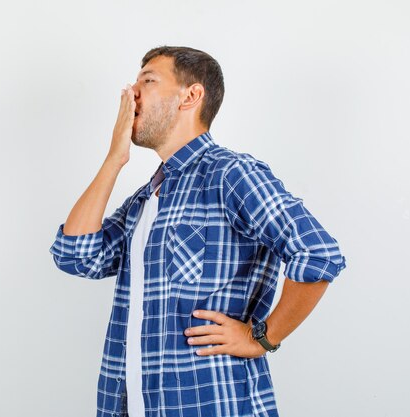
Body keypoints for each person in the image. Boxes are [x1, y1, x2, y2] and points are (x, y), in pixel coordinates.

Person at [48, 46, 346, 417]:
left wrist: (263, 337)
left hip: (214, 404)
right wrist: (115, 159)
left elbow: (318, 254)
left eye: (148, 80)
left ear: (191, 95)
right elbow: (75, 256)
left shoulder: (231, 174)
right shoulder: (145, 199)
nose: (131, 92)